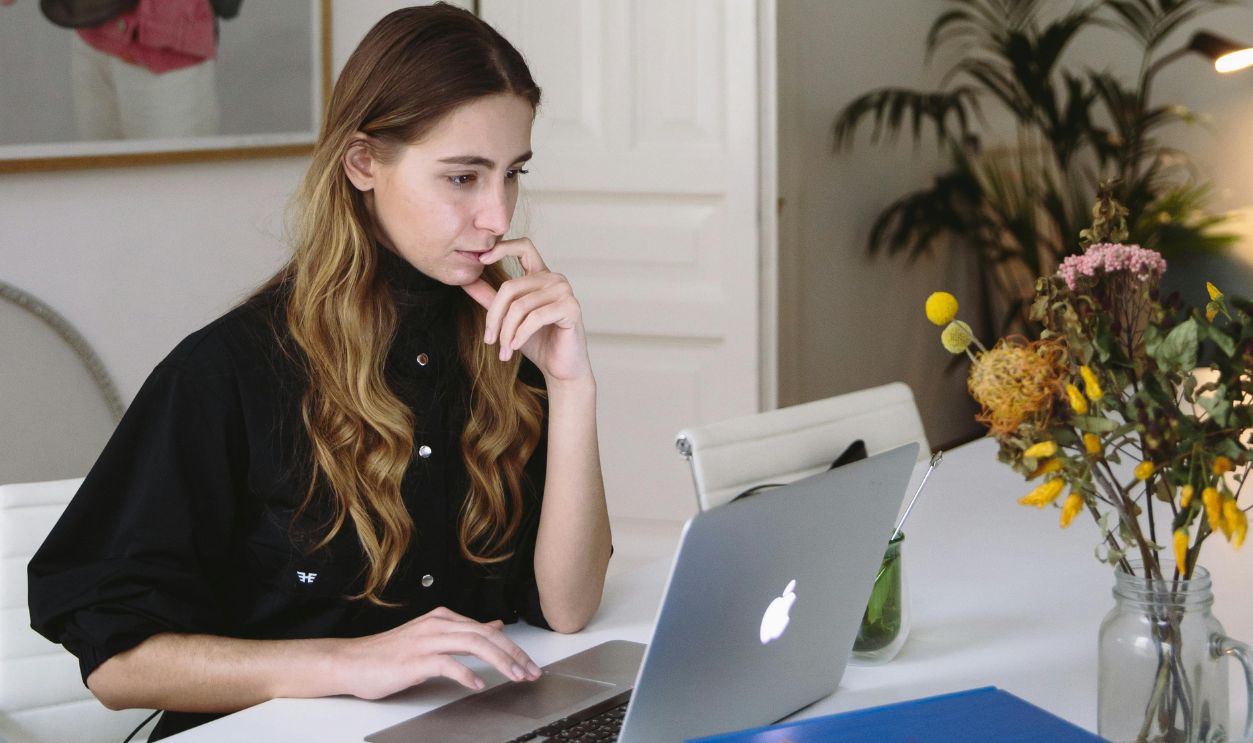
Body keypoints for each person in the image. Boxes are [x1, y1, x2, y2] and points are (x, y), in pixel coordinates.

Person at [27, 4, 612, 739]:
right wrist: (347, 662)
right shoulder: (228, 371)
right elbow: (117, 667)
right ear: (363, 163)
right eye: (463, 177)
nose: (497, 215)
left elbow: (567, 607)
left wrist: (571, 386)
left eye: (512, 174)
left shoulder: (500, 346)